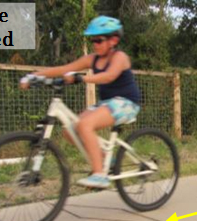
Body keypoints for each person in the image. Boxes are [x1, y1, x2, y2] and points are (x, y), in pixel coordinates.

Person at [19, 16, 141, 188]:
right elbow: (64, 69)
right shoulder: (92, 58)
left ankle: (99, 175)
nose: (95, 44)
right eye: (93, 40)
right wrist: (33, 76)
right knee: (70, 130)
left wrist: (82, 78)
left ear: (113, 40)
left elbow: (109, 76)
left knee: (84, 125)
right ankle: (106, 160)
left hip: (127, 103)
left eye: (99, 40)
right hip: (107, 103)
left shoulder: (120, 57)